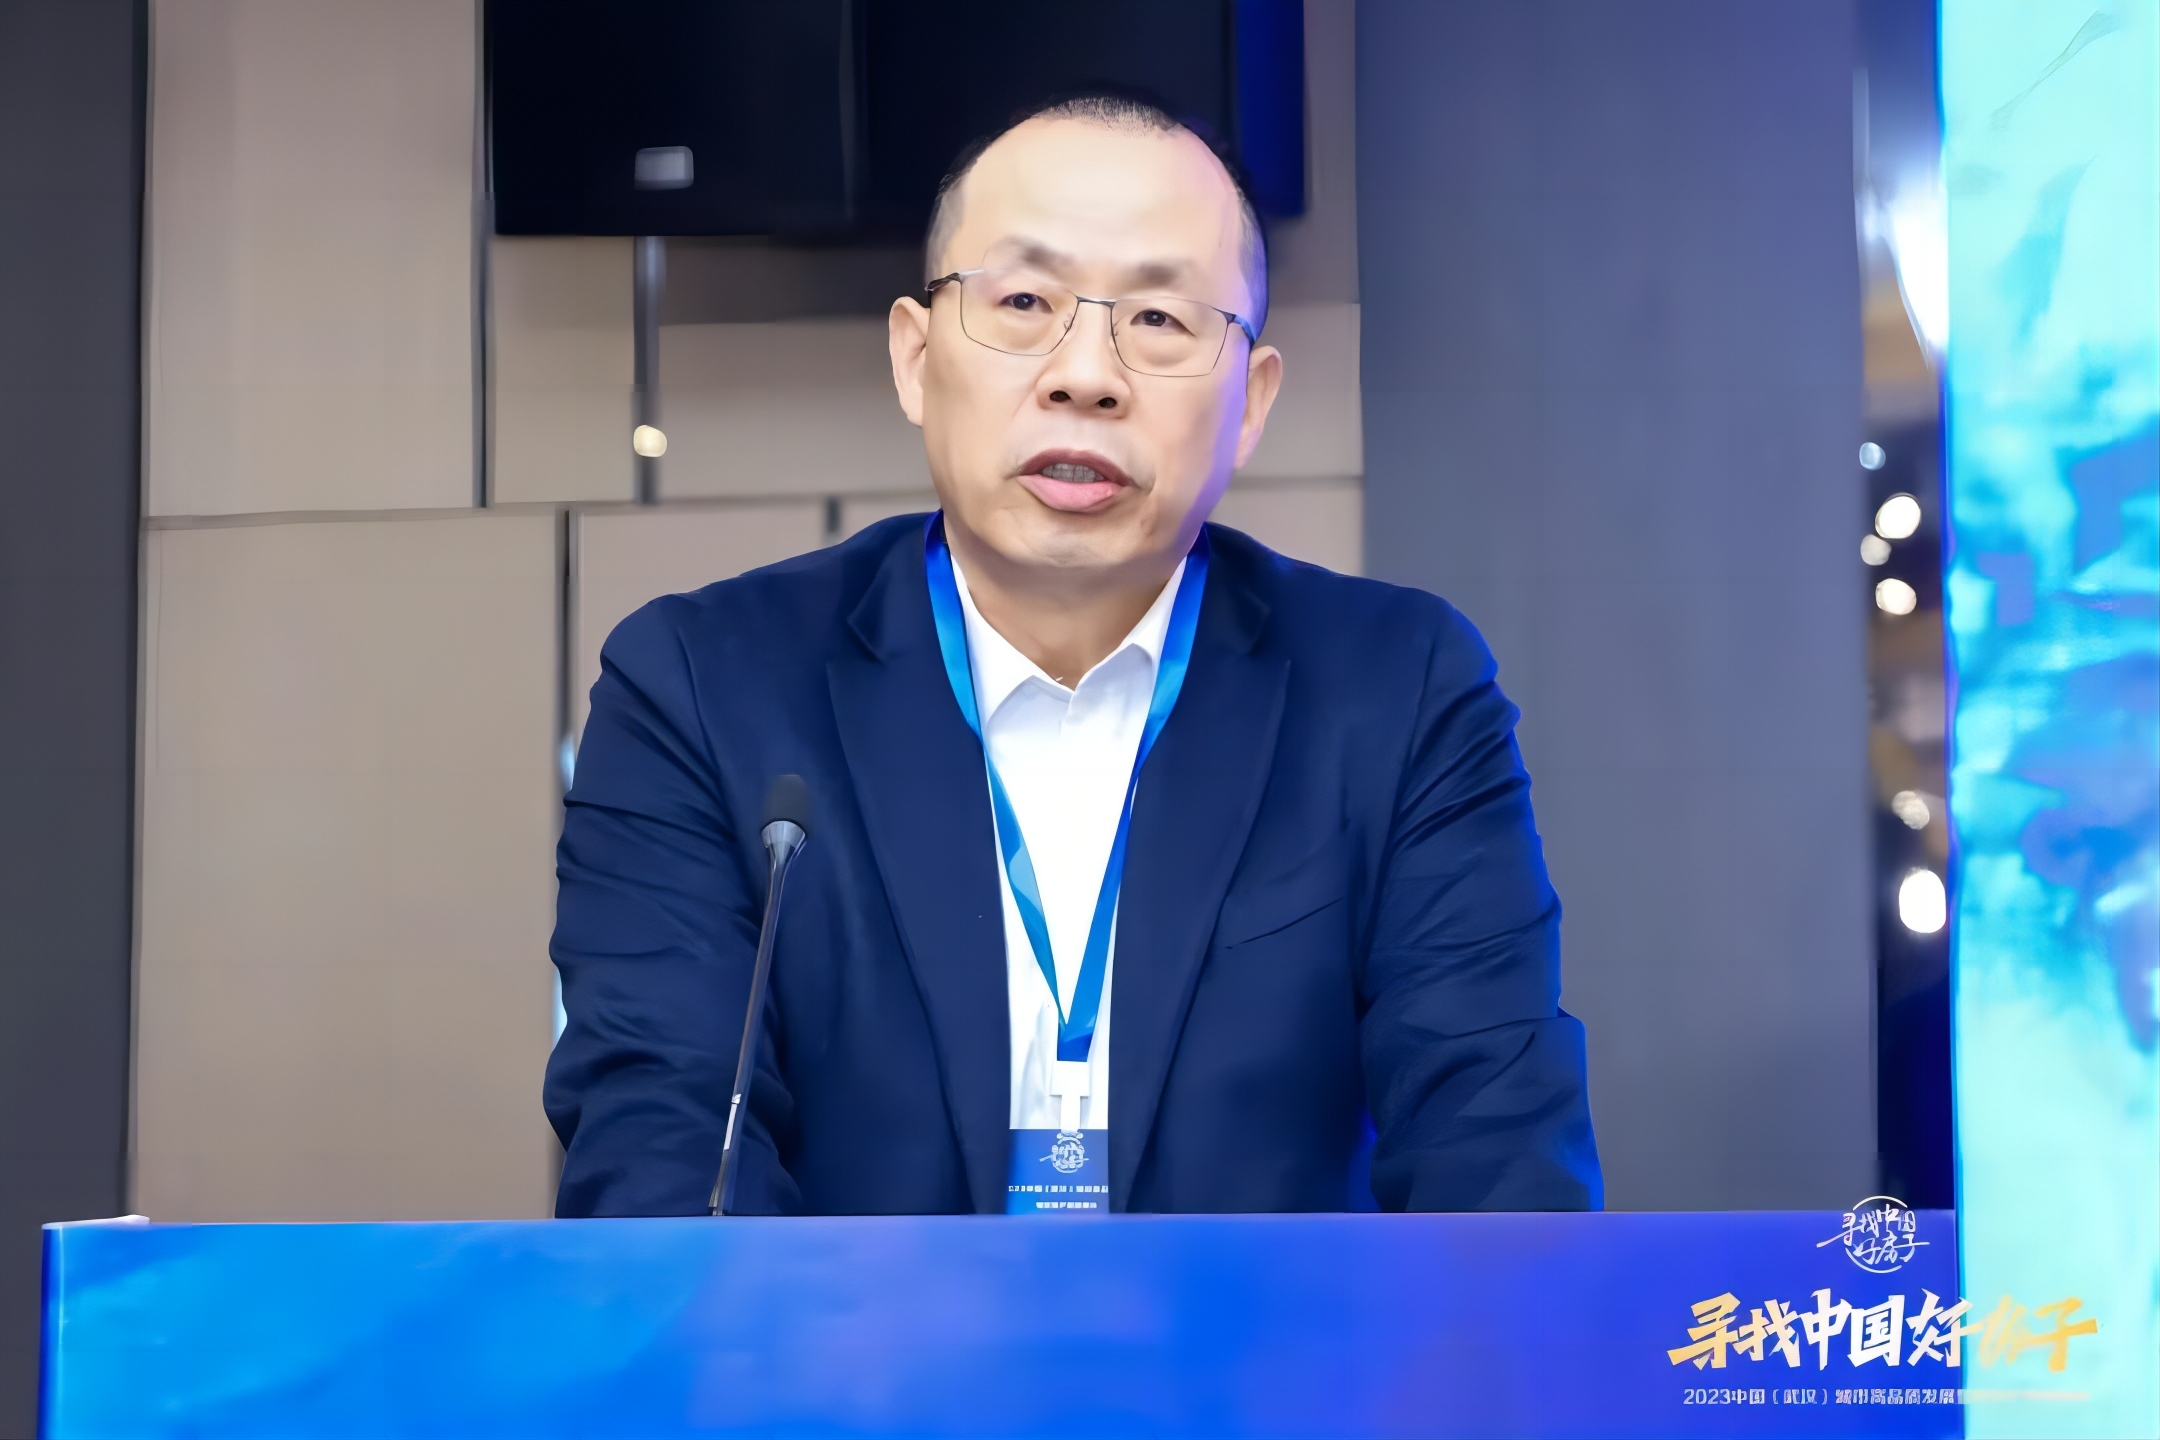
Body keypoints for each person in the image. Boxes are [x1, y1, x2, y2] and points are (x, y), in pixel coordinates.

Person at [544, 96, 1602, 1216]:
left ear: (1250, 403)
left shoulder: (1396, 688)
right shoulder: (703, 688)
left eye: (1161, 318)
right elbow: (661, 1146)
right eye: (1023, 303)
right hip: (841, 1335)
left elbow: (1496, 1151)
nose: (1085, 375)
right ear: (915, 357)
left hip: (1259, 1337)